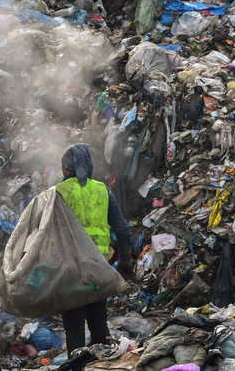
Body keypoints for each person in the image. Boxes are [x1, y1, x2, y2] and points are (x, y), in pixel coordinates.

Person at [56, 144, 134, 353]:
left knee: (74, 328)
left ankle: (78, 365)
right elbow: (123, 229)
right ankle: (102, 363)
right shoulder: (102, 190)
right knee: (99, 325)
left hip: (70, 271)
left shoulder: (58, 193)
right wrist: (126, 262)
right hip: (99, 267)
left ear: (65, 168)